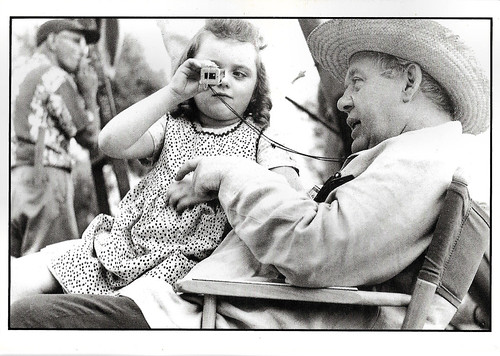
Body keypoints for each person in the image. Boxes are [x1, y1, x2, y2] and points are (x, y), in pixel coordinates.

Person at [10, 18, 488, 330]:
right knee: (24, 296)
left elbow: (315, 248)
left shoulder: (418, 162)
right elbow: (112, 141)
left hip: (212, 305)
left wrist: (228, 171)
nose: (343, 102)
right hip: (188, 290)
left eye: (356, 83)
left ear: (410, 81)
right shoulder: (410, 158)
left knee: (26, 319)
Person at [10, 18, 300, 317]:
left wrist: (220, 183)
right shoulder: (172, 125)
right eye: (212, 71)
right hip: (119, 247)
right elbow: (109, 142)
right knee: (18, 278)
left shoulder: (260, 138)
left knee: (54, 301)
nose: (224, 80)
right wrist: (173, 93)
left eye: (240, 74)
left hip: (179, 268)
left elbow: (289, 196)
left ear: (256, 88)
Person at [10, 19, 101, 257]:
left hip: (11, 180)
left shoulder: (14, 72)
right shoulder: (54, 75)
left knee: (12, 276)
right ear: (51, 40)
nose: (83, 50)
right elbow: (91, 137)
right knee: (51, 265)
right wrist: (90, 92)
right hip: (43, 176)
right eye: (75, 40)